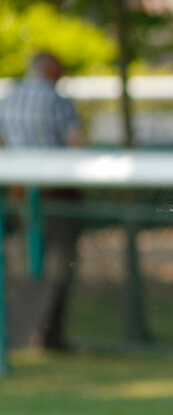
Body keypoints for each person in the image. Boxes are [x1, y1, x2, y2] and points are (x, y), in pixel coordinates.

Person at [0, 51, 84, 349]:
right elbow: (75, 146)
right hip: (56, 193)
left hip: (21, 193)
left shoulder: (9, 99)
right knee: (59, 264)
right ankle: (46, 334)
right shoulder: (57, 101)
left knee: (26, 263)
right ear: (51, 69)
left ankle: (21, 332)